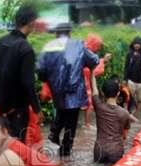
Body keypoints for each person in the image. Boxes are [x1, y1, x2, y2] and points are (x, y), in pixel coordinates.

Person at [0, 6, 42, 142]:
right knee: (17, 146)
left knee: (1, 143)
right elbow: (28, 83)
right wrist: (37, 109)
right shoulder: (26, 48)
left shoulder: (0, 42)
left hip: (1, 106)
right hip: (18, 109)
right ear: (31, 22)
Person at [37, 23, 100, 157]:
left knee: (61, 113)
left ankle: (53, 135)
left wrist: (49, 79)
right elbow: (94, 60)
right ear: (70, 33)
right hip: (75, 91)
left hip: (58, 90)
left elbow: (40, 69)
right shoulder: (79, 45)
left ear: (56, 33)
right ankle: (65, 150)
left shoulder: (50, 46)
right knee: (71, 121)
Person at [91, 74, 133, 163]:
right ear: (118, 93)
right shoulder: (125, 113)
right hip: (115, 151)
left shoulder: (99, 107)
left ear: (103, 93)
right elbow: (124, 136)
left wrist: (92, 73)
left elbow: (94, 91)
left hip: (99, 150)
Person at [82, 34, 111, 127]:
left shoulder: (82, 50)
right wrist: (103, 61)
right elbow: (93, 71)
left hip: (78, 82)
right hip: (83, 82)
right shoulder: (88, 54)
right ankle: (87, 125)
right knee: (89, 103)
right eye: (98, 45)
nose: (99, 48)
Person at [123, 36, 141, 115]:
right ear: (133, 45)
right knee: (129, 97)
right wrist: (125, 78)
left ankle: (137, 114)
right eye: (135, 44)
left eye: (138, 44)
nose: (137, 45)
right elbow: (126, 67)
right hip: (131, 80)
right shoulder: (129, 54)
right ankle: (128, 113)